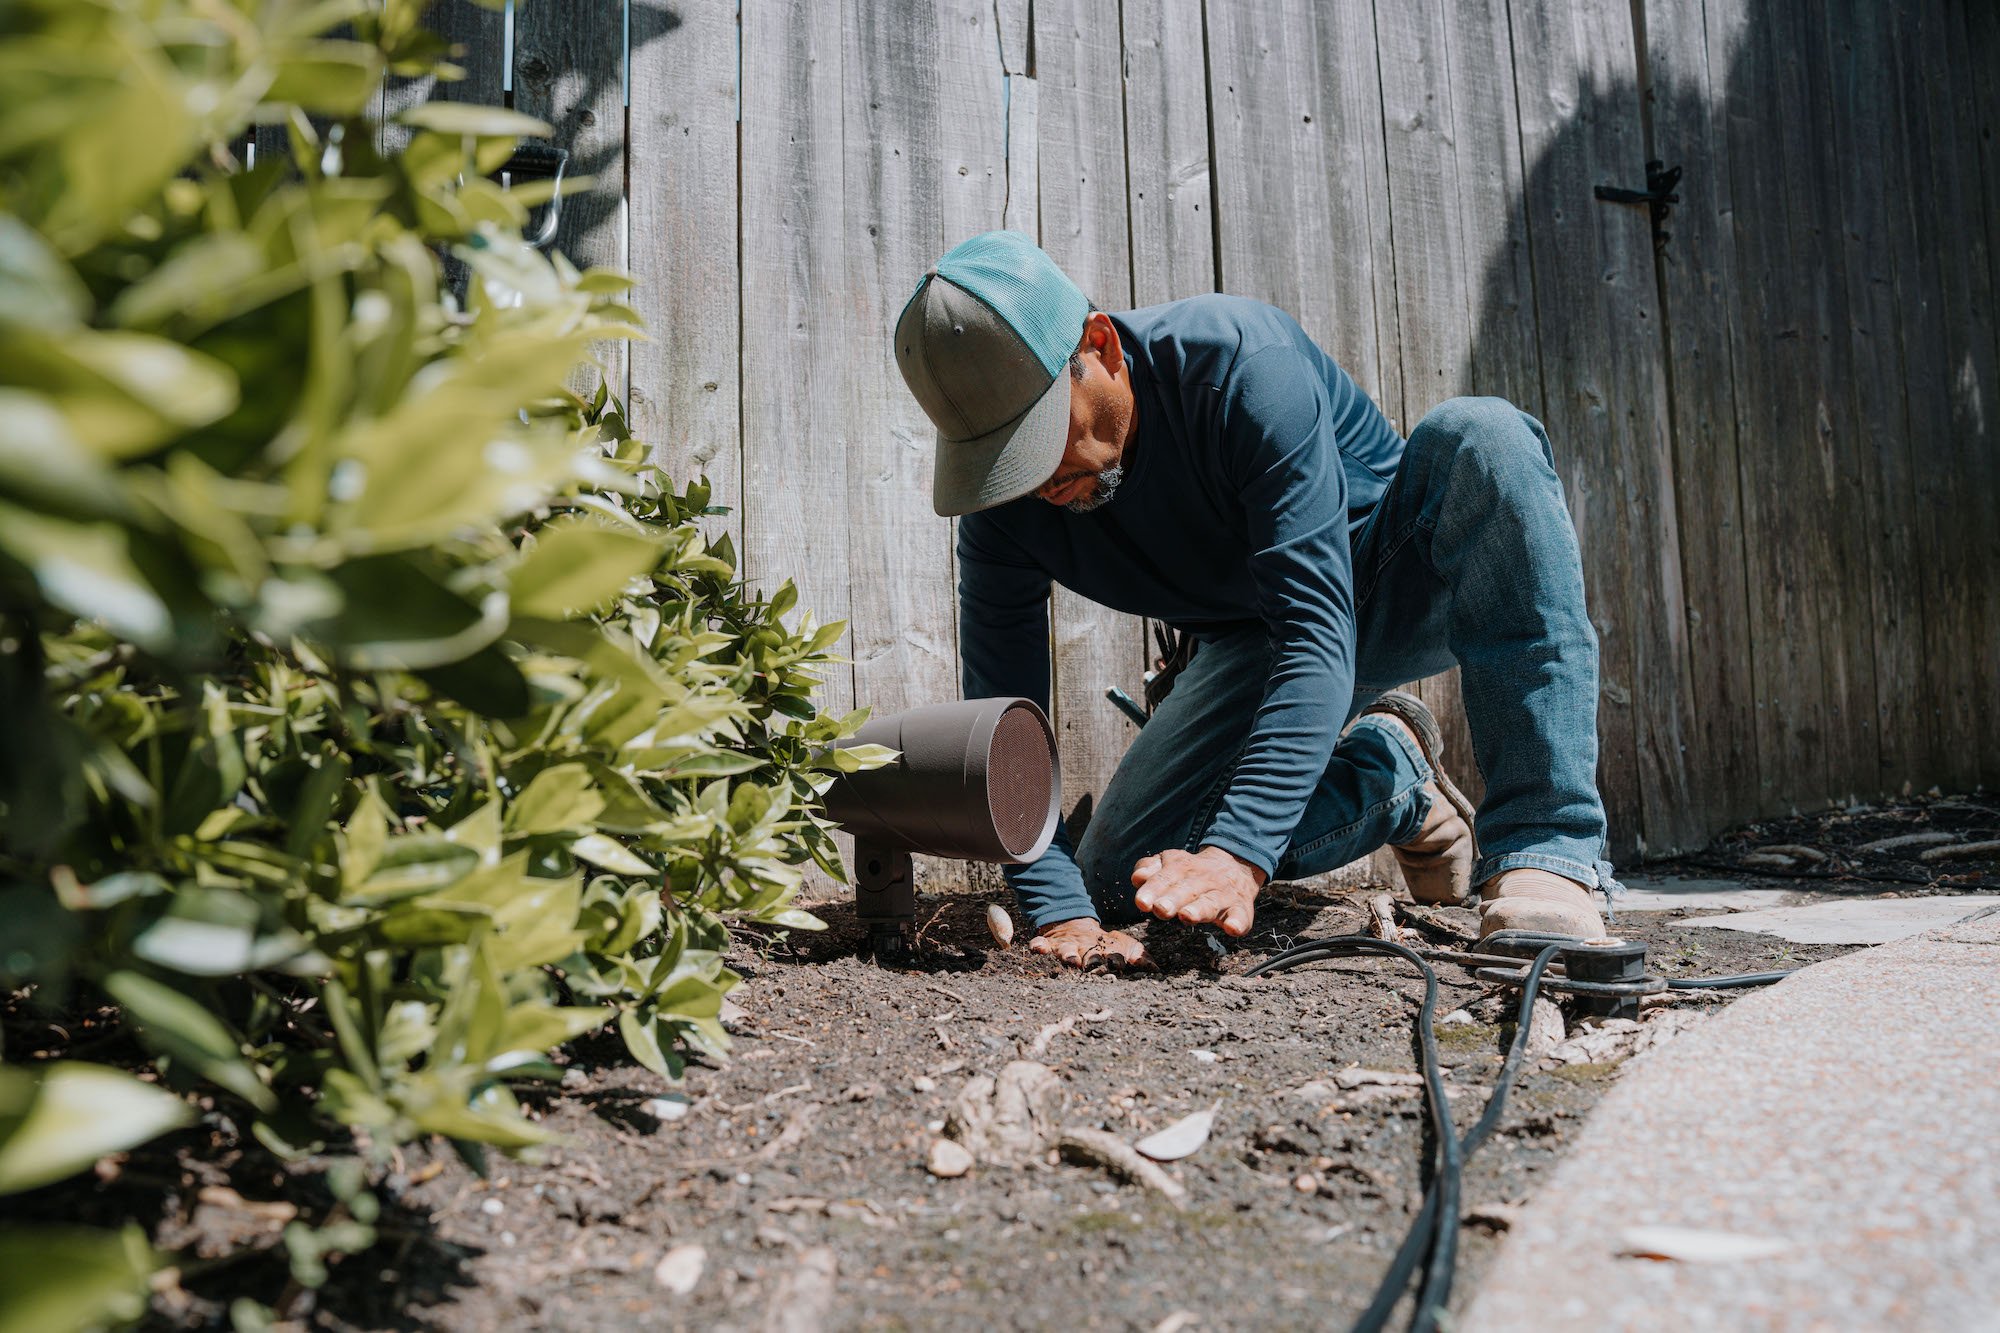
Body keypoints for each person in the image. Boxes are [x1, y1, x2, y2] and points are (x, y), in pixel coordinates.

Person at [891, 230, 1616, 968]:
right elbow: (1006, 718)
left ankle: (1546, 851)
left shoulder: (1240, 364)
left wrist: (1239, 853)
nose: (1038, 477)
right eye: (1006, 457)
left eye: (1043, 433)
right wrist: (1060, 908)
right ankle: (1391, 773)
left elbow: (1316, 628)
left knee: (1483, 435)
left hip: (1389, 577)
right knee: (1128, 875)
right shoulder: (1004, 509)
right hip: (1254, 640)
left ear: (1102, 347)